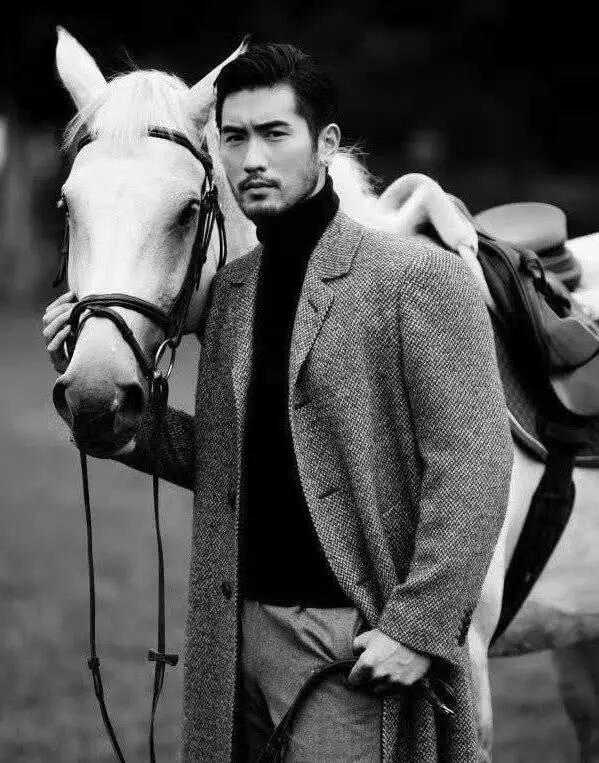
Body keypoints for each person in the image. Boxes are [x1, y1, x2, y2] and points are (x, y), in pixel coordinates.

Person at [43, 42, 513, 762]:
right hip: (235, 638)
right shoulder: (232, 295)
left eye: (274, 133)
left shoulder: (418, 278)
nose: (252, 158)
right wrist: (112, 418)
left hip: (352, 644)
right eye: (234, 138)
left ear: (324, 143)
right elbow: (224, 460)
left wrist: (417, 628)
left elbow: (475, 462)